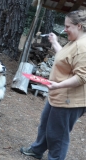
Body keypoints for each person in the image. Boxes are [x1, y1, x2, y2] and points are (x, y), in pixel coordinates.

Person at [20, 10, 86, 160]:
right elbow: (65, 58)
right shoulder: (75, 41)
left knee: (58, 134)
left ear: (79, 26)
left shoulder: (83, 47)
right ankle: (37, 150)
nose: (65, 29)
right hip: (59, 94)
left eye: (68, 26)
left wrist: (57, 85)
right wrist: (55, 42)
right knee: (45, 125)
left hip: (69, 100)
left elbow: (82, 77)